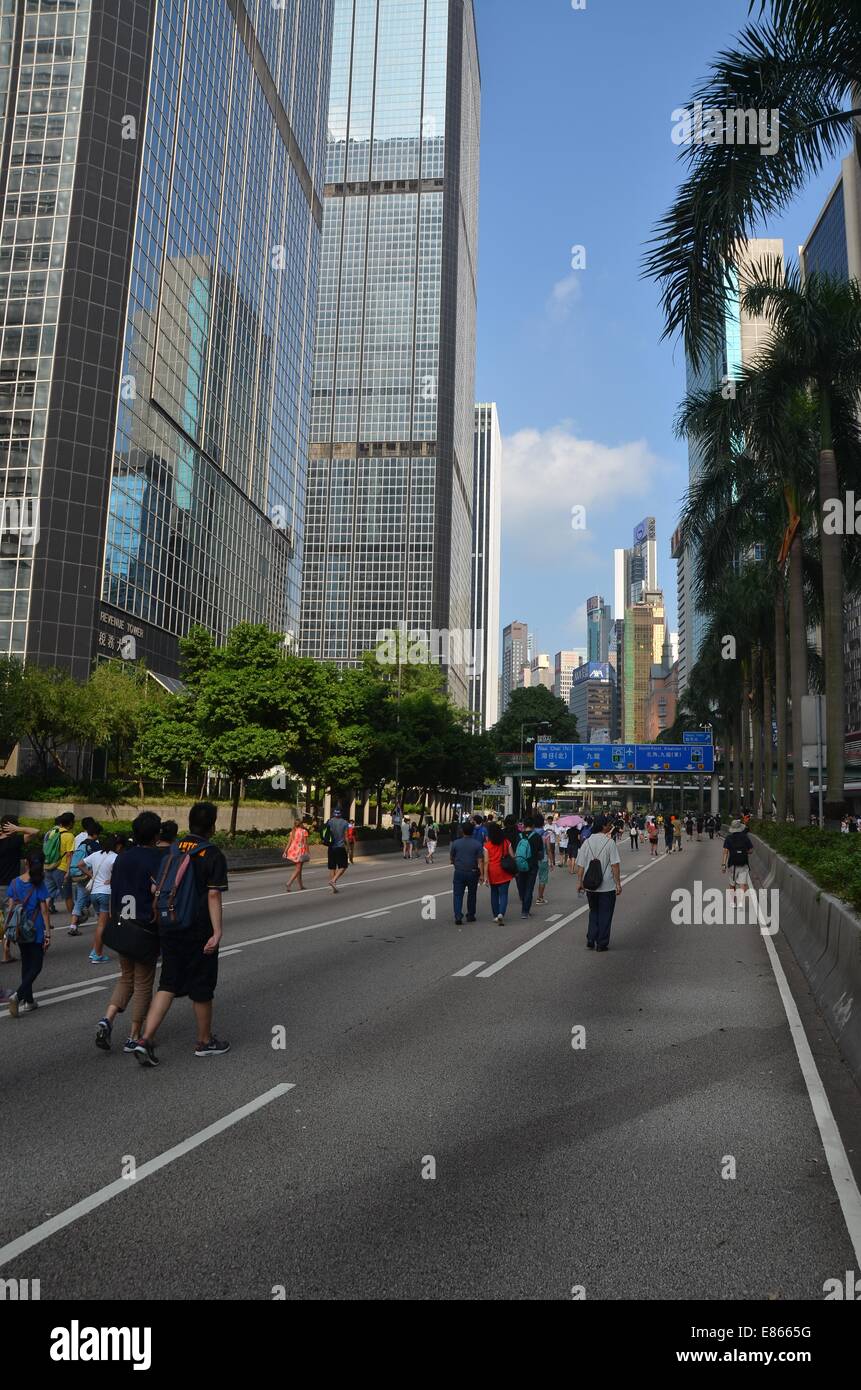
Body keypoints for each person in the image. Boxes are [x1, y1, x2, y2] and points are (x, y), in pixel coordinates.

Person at [134, 802, 229, 1066]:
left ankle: (145, 1039)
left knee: (168, 982)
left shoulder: (172, 849)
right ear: (212, 825)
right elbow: (213, 893)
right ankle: (204, 1041)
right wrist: (217, 932)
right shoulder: (212, 854)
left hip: (169, 924)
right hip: (198, 929)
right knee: (202, 985)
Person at [95, 812, 162, 1054]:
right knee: (143, 982)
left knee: (126, 977)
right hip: (145, 928)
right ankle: (134, 1035)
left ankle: (108, 1018)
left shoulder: (122, 858)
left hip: (123, 923)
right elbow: (159, 891)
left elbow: (114, 889)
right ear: (156, 835)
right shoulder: (157, 858)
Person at [3, 849, 52, 1016]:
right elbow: (44, 911)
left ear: (26, 863)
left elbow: (10, 909)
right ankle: (18, 995)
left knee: (26, 964)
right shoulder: (39, 882)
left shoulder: (14, 882)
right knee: (36, 965)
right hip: (36, 929)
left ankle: (29, 1001)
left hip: (19, 929)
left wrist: (7, 934)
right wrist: (47, 934)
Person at [575, 813, 622, 952]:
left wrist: (580, 882)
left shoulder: (587, 842)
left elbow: (581, 865)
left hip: (590, 885)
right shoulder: (610, 842)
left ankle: (591, 938)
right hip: (606, 885)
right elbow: (615, 865)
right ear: (603, 826)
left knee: (593, 911)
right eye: (608, 824)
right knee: (605, 914)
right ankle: (601, 943)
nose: (610, 826)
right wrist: (618, 883)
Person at [0, 816, 40, 963]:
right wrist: (18, 829)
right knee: (10, 919)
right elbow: (36, 831)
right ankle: (6, 953)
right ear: (12, 827)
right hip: (8, 887)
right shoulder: (14, 841)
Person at [83, 832, 118, 963]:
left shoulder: (95, 855)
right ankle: (97, 954)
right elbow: (117, 873)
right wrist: (111, 879)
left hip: (94, 893)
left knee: (100, 924)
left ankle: (95, 950)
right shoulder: (115, 857)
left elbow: (80, 863)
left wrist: (91, 875)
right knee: (102, 925)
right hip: (106, 893)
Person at [68, 820, 101, 937]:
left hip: (78, 875)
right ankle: (101, 924)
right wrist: (91, 874)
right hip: (89, 875)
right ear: (96, 834)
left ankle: (73, 925)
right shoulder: (95, 845)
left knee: (80, 900)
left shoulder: (82, 843)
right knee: (98, 898)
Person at [449, 822, 484, 925]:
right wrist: (482, 874)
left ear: (462, 831)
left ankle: (458, 915)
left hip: (459, 871)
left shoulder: (456, 843)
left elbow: (452, 858)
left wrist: (456, 863)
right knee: (472, 894)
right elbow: (480, 861)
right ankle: (471, 915)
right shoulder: (477, 844)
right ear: (473, 831)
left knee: (458, 895)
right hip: (473, 871)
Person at [482, 822, 515, 924]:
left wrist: (485, 876)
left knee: (494, 893)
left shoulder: (487, 846)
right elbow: (512, 856)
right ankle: (501, 913)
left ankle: (495, 915)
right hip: (505, 870)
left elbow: (486, 862)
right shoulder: (506, 842)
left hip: (493, 871)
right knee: (504, 894)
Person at [43, 812, 75, 912]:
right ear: (70, 823)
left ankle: (45, 916)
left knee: (48, 893)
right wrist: (69, 871)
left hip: (48, 866)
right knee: (67, 895)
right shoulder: (69, 836)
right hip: (62, 868)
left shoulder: (51, 832)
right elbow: (69, 855)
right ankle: (73, 919)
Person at [515, 815, 545, 920]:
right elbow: (541, 853)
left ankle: (524, 903)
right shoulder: (536, 837)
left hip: (520, 864)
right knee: (529, 887)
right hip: (532, 865)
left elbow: (515, 851)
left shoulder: (518, 836)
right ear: (532, 825)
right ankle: (525, 911)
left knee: (522, 886)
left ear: (524, 825)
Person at [722, 818, 755, 901]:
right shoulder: (745, 837)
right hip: (743, 863)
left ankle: (733, 901)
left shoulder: (728, 838)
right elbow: (751, 850)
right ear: (740, 828)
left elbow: (725, 852)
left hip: (732, 863)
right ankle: (741, 901)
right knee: (742, 883)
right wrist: (744, 852)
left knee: (732, 883)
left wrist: (723, 864)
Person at [324, 807, 350, 892]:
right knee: (344, 866)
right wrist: (348, 847)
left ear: (333, 813)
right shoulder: (345, 822)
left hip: (331, 847)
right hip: (340, 847)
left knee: (332, 867)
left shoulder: (329, 821)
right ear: (341, 813)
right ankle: (333, 880)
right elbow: (346, 837)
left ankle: (334, 887)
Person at [283, 818, 310, 892]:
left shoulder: (293, 832)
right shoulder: (304, 831)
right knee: (298, 869)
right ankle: (289, 883)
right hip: (300, 851)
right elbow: (305, 843)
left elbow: (289, 843)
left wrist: (285, 851)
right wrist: (308, 852)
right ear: (301, 824)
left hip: (293, 851)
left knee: (299, 869)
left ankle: (301, 885)